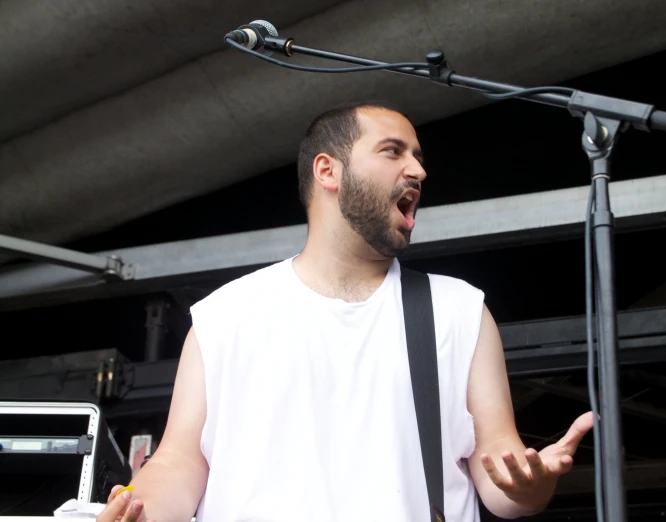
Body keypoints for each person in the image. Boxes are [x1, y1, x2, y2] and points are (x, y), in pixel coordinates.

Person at [97, 102, 592, 522]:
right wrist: (139, 510)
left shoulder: (457, 310)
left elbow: (499, 476)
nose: (418, 170)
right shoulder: (225, 316)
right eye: (393, 151)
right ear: (327, 170)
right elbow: (180, 463)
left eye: (418, 157)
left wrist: (530, 487)